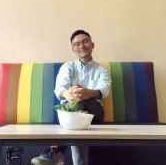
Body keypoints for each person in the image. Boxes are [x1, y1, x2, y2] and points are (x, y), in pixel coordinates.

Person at [31, 29, 111, 165]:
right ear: (73, 49)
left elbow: (104, 90)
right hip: (70, 113)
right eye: (77, 44)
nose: (81, 46)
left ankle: (56, 152)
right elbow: (60, 89)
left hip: (95, 113)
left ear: (92, 44)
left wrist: (87, 93)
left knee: (80, 102)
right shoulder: (68, 67)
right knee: (76, 105)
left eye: (85, 41)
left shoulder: (102, 69)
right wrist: (68, 93)